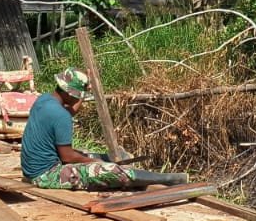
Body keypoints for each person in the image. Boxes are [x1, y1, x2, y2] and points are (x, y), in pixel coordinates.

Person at [21, 67, 188, 191]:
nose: (79, 98)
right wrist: (96, 163)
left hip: (34, 167)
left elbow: (70, 110)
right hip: (44, 175)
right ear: (69, 93)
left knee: (89, 154)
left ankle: (124, 165)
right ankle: (170, 179)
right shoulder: (60, 115)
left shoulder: (44, 100)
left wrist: (83, 91)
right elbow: (67, 156)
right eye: (78, 95)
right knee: (109, 170)